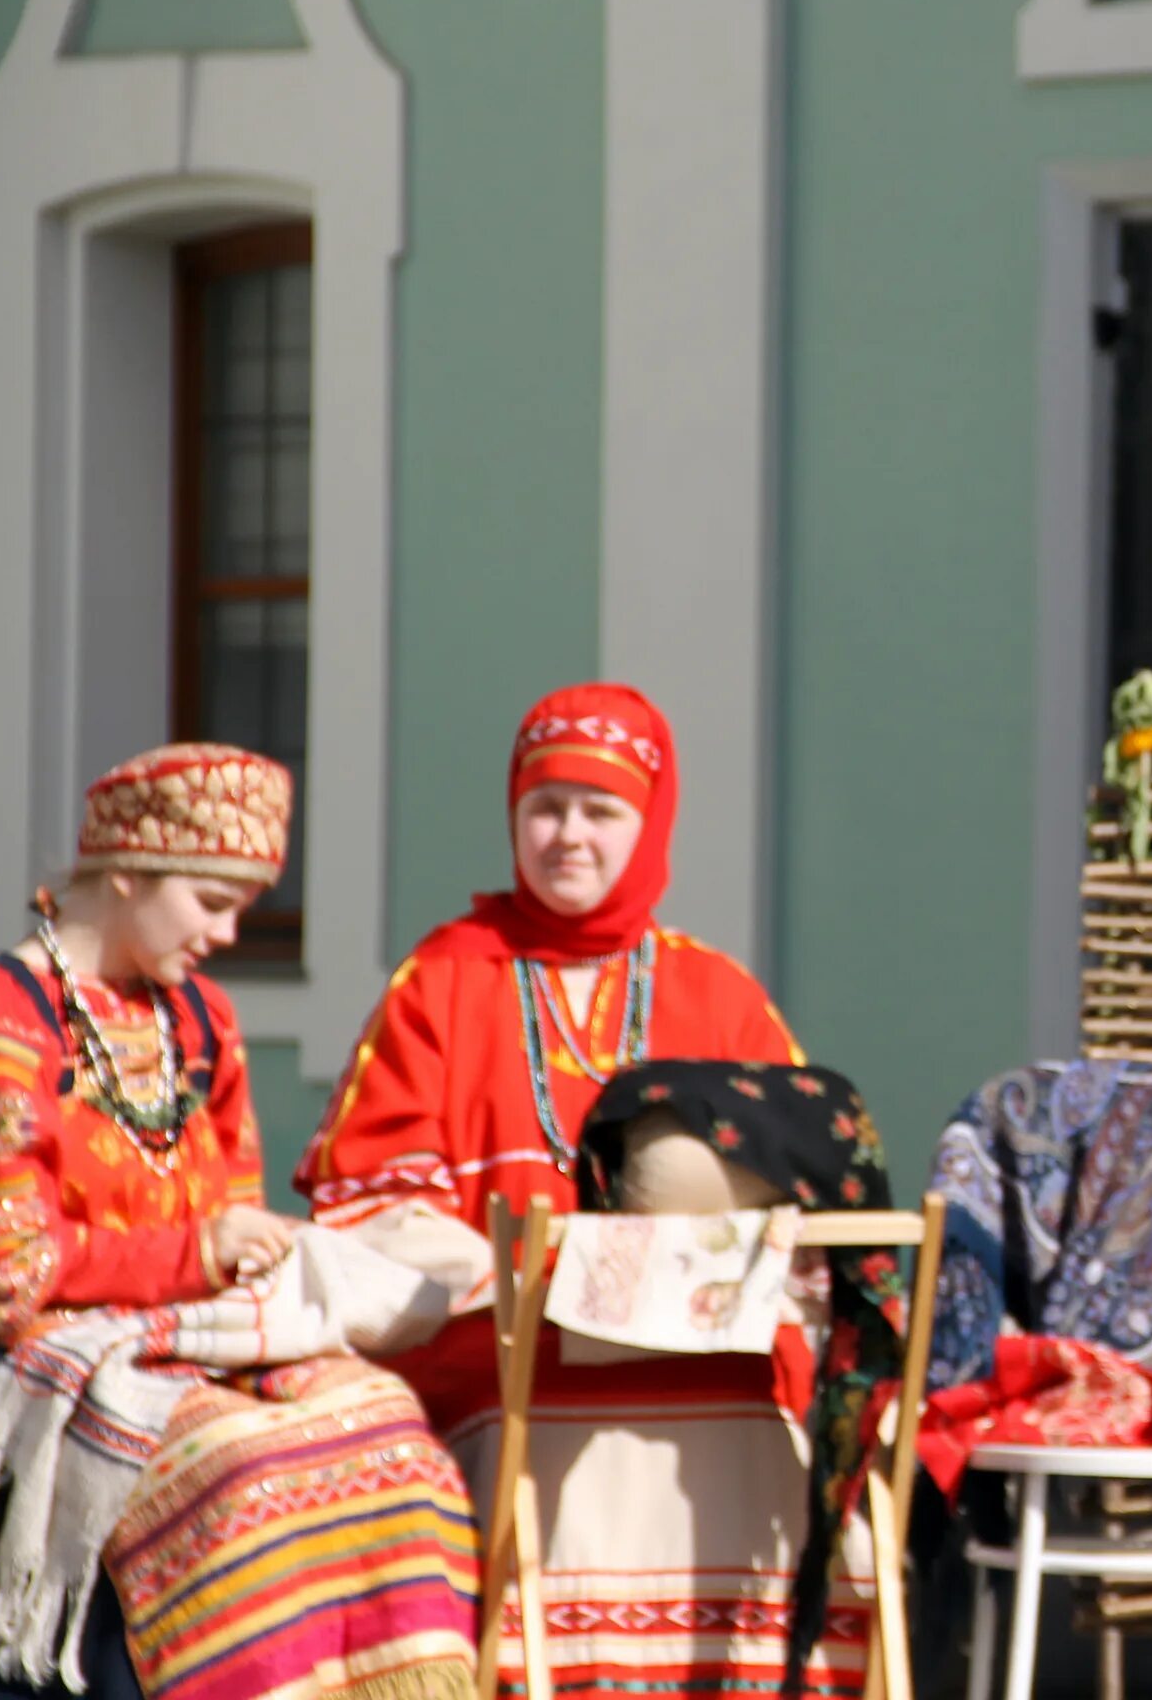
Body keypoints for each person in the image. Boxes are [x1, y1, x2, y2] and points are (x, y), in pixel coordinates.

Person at [296, 685, 874, 1698]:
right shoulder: (441, 978)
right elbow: (367, 1200)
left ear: (649, 824)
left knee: (775, 1421)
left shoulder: (720, 994)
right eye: (544, 806)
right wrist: (538, 1278)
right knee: (537, 1394)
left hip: (712, 1357)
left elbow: (806, 1197)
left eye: (600, 810)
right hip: (505, 1355)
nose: (568, 834)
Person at [0, 745, 475, 1700]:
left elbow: (235, 1202)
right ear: (124, 868)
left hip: (202, 1335)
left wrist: (263, 1263)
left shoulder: (201, 1020)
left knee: (392, 1434)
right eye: (211, 902)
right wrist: (195, 1254)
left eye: (243, 907)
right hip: (62, 1347)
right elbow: (9, 1270)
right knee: (239, 1467)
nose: (226, 932)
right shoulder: (10, 1015)